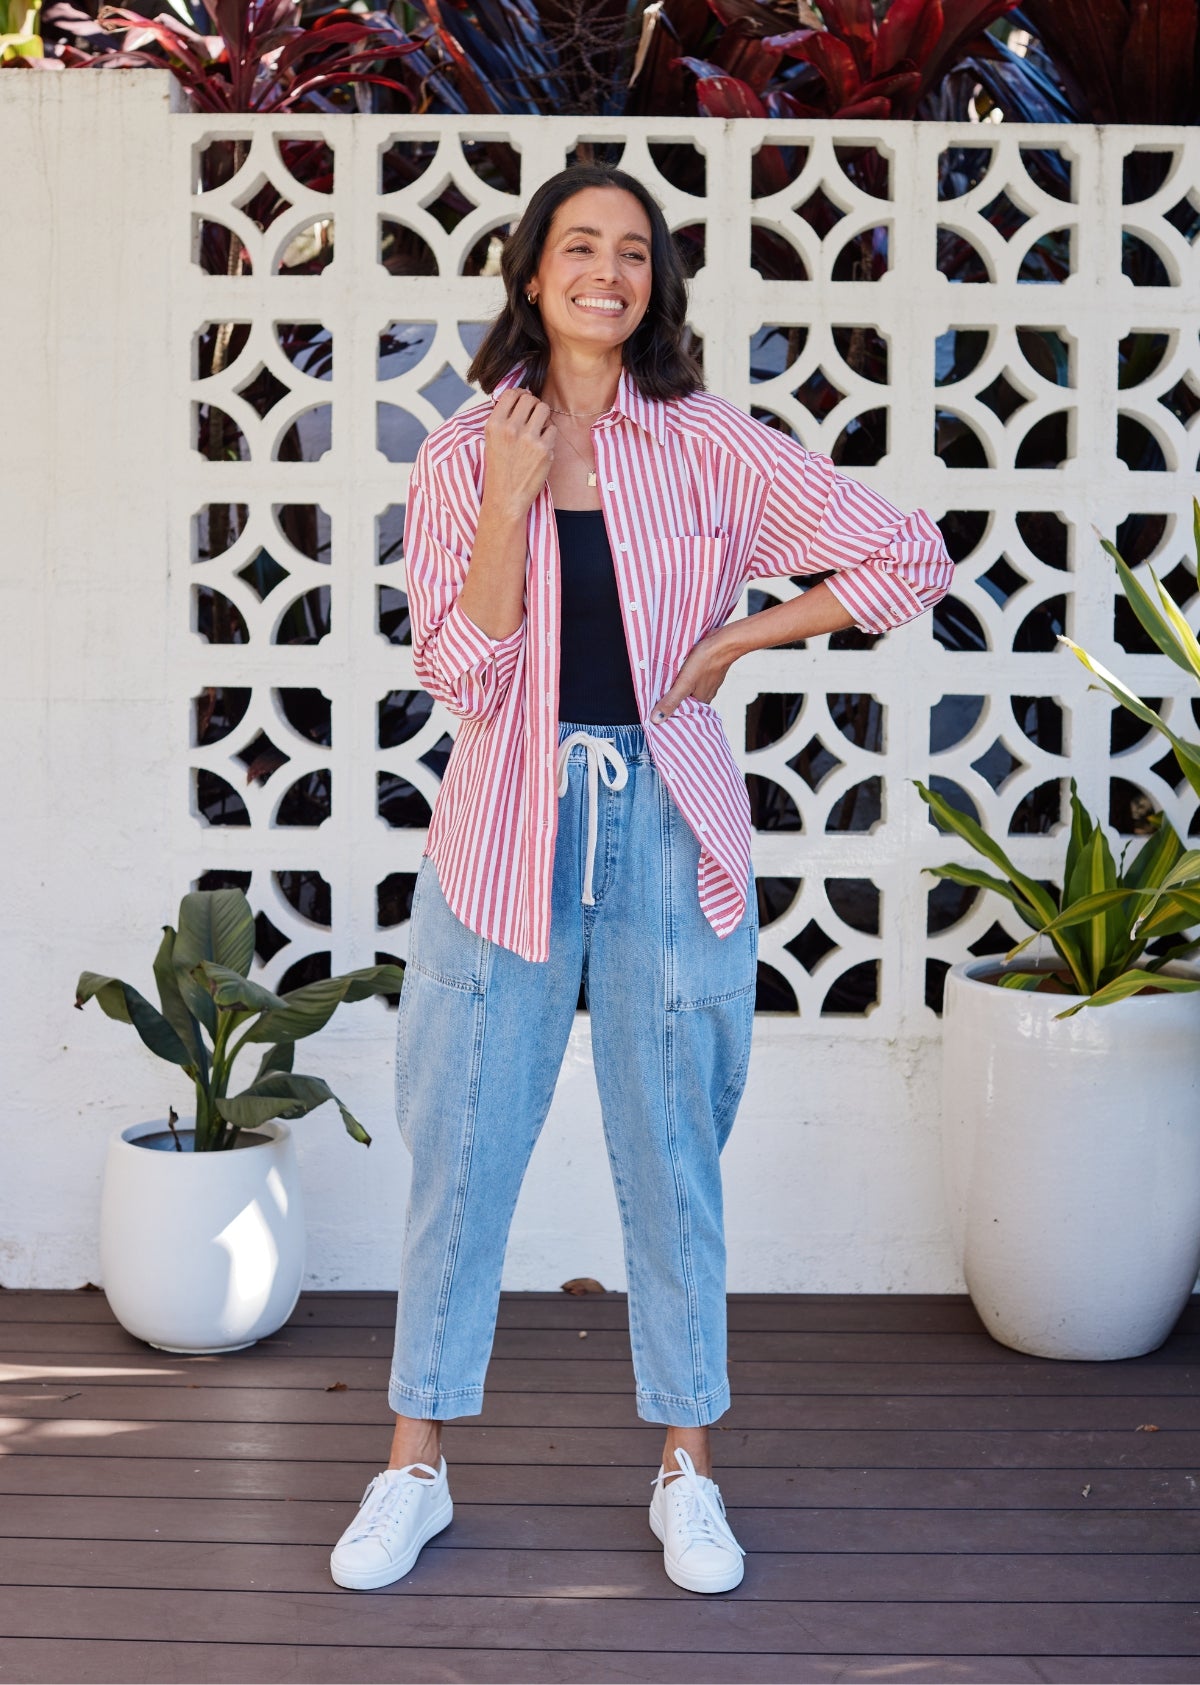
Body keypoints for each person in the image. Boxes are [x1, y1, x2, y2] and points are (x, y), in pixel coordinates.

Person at [330, 162, 953, 1597]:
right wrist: (505, 499)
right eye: (577, 247)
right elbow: (462, 675)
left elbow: (903, 552)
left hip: (672, 831)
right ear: (531, 272)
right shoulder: (454, 456)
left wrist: (738, 644)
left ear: (653, 282)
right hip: (500, 839)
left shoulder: (713, 446)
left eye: (631, 251)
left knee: (673, 1166)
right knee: (462, 1160)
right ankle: (413, 1463)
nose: (605, 271)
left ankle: (688, 1470)